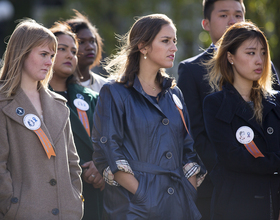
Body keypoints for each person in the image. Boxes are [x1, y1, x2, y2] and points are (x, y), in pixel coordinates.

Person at [91, 13, 207, 220]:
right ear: (143, 47)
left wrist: (188, 192)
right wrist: (144, 195)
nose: (174, 48)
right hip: (133, 209)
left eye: (175, 41)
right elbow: (108, 150)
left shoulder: (174, 93)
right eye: (165, 41)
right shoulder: (114, 92)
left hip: (178, 207)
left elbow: (188, 150)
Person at [0, 19, 83, 219]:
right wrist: (11, 205)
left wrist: (75, 199)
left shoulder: (59, 105)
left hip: (65, 213)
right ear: (21, 53)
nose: (50, 62)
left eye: (52, 56)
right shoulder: (2, 103)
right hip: (22, 213)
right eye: (43, 54)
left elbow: (73, 162)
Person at [203, 21, 280, 220]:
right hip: (236, 208)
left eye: (263, 53)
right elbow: (233, 158)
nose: (259, 60)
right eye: (251, 53)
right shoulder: (215, 103)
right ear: (230, 57)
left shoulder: (276, 100)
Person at [49, 22, 105, 220]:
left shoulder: (91, 98)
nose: (69, 55)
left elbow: (109, 142)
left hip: (90, 193)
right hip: (49, 196)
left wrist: (102, 167)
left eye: (73, 51)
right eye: (61, 49)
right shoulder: (35, 98)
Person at [66, 10, 107, 93]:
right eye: (81, 42)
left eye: (92, 41)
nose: (90, 47)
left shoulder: (106, 87)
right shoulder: (57, 86)